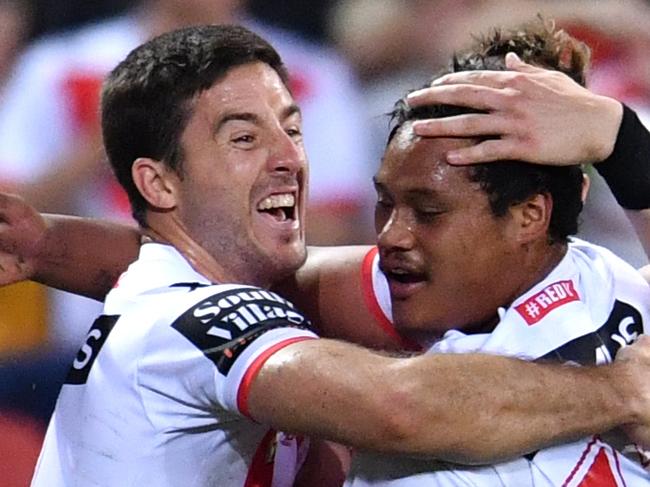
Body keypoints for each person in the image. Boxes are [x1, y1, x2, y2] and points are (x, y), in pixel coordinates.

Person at [15, 23, 645, 487]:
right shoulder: (188, 321)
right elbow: (402, 409)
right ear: (160, 183)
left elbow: (298, 276)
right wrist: (622, 390)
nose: (289, 157)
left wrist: (619, 135)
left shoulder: (586, 277)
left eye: (291, 127)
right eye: (243, 137)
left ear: (531, 218)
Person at [343, 23, 650, 486]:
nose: (390, 236)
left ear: (530, 216)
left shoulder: (618, 283)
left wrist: (618, 134)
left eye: (428, 211)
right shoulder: (421, 460)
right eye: (384, 202)